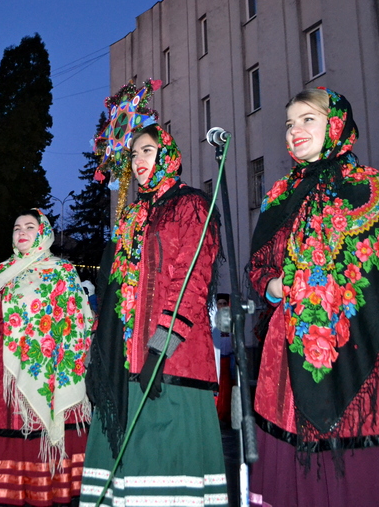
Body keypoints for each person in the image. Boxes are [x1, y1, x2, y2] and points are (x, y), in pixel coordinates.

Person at [248, 87, 379, 507]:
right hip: (289, 378)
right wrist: (272, 286)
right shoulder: (279, 197)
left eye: (308, 118)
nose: (295, 130)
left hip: (366, 371)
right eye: (290, 123)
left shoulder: (375, 190)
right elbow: (260, 267)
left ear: (337, 124)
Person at [80, 80, 228, 506]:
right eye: (134, 154)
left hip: (172, 360)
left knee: (164, 465)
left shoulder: (190, 205)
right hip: (126, 362)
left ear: (167, 155)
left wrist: (163, 341)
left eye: (147, 151)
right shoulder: (130, 217)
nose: (140, 160)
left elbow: (192, 278)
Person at [0, 209, 94, 506]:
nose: (22, 232)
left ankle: (48, 493)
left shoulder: (63, 270)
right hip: (9, 377)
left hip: (53, 372)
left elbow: (80, 319)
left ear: (44, 232)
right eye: (17, 227)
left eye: (30, 226)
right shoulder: (0, 272)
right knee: (12, 453)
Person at [211, 293, 235, 424]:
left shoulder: (230, 319)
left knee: (229, 389)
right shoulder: (213, 320)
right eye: (219, 304)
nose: (222, 306)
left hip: (228, 359)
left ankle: (227, 415)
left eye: (224, 304)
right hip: (217, 360)